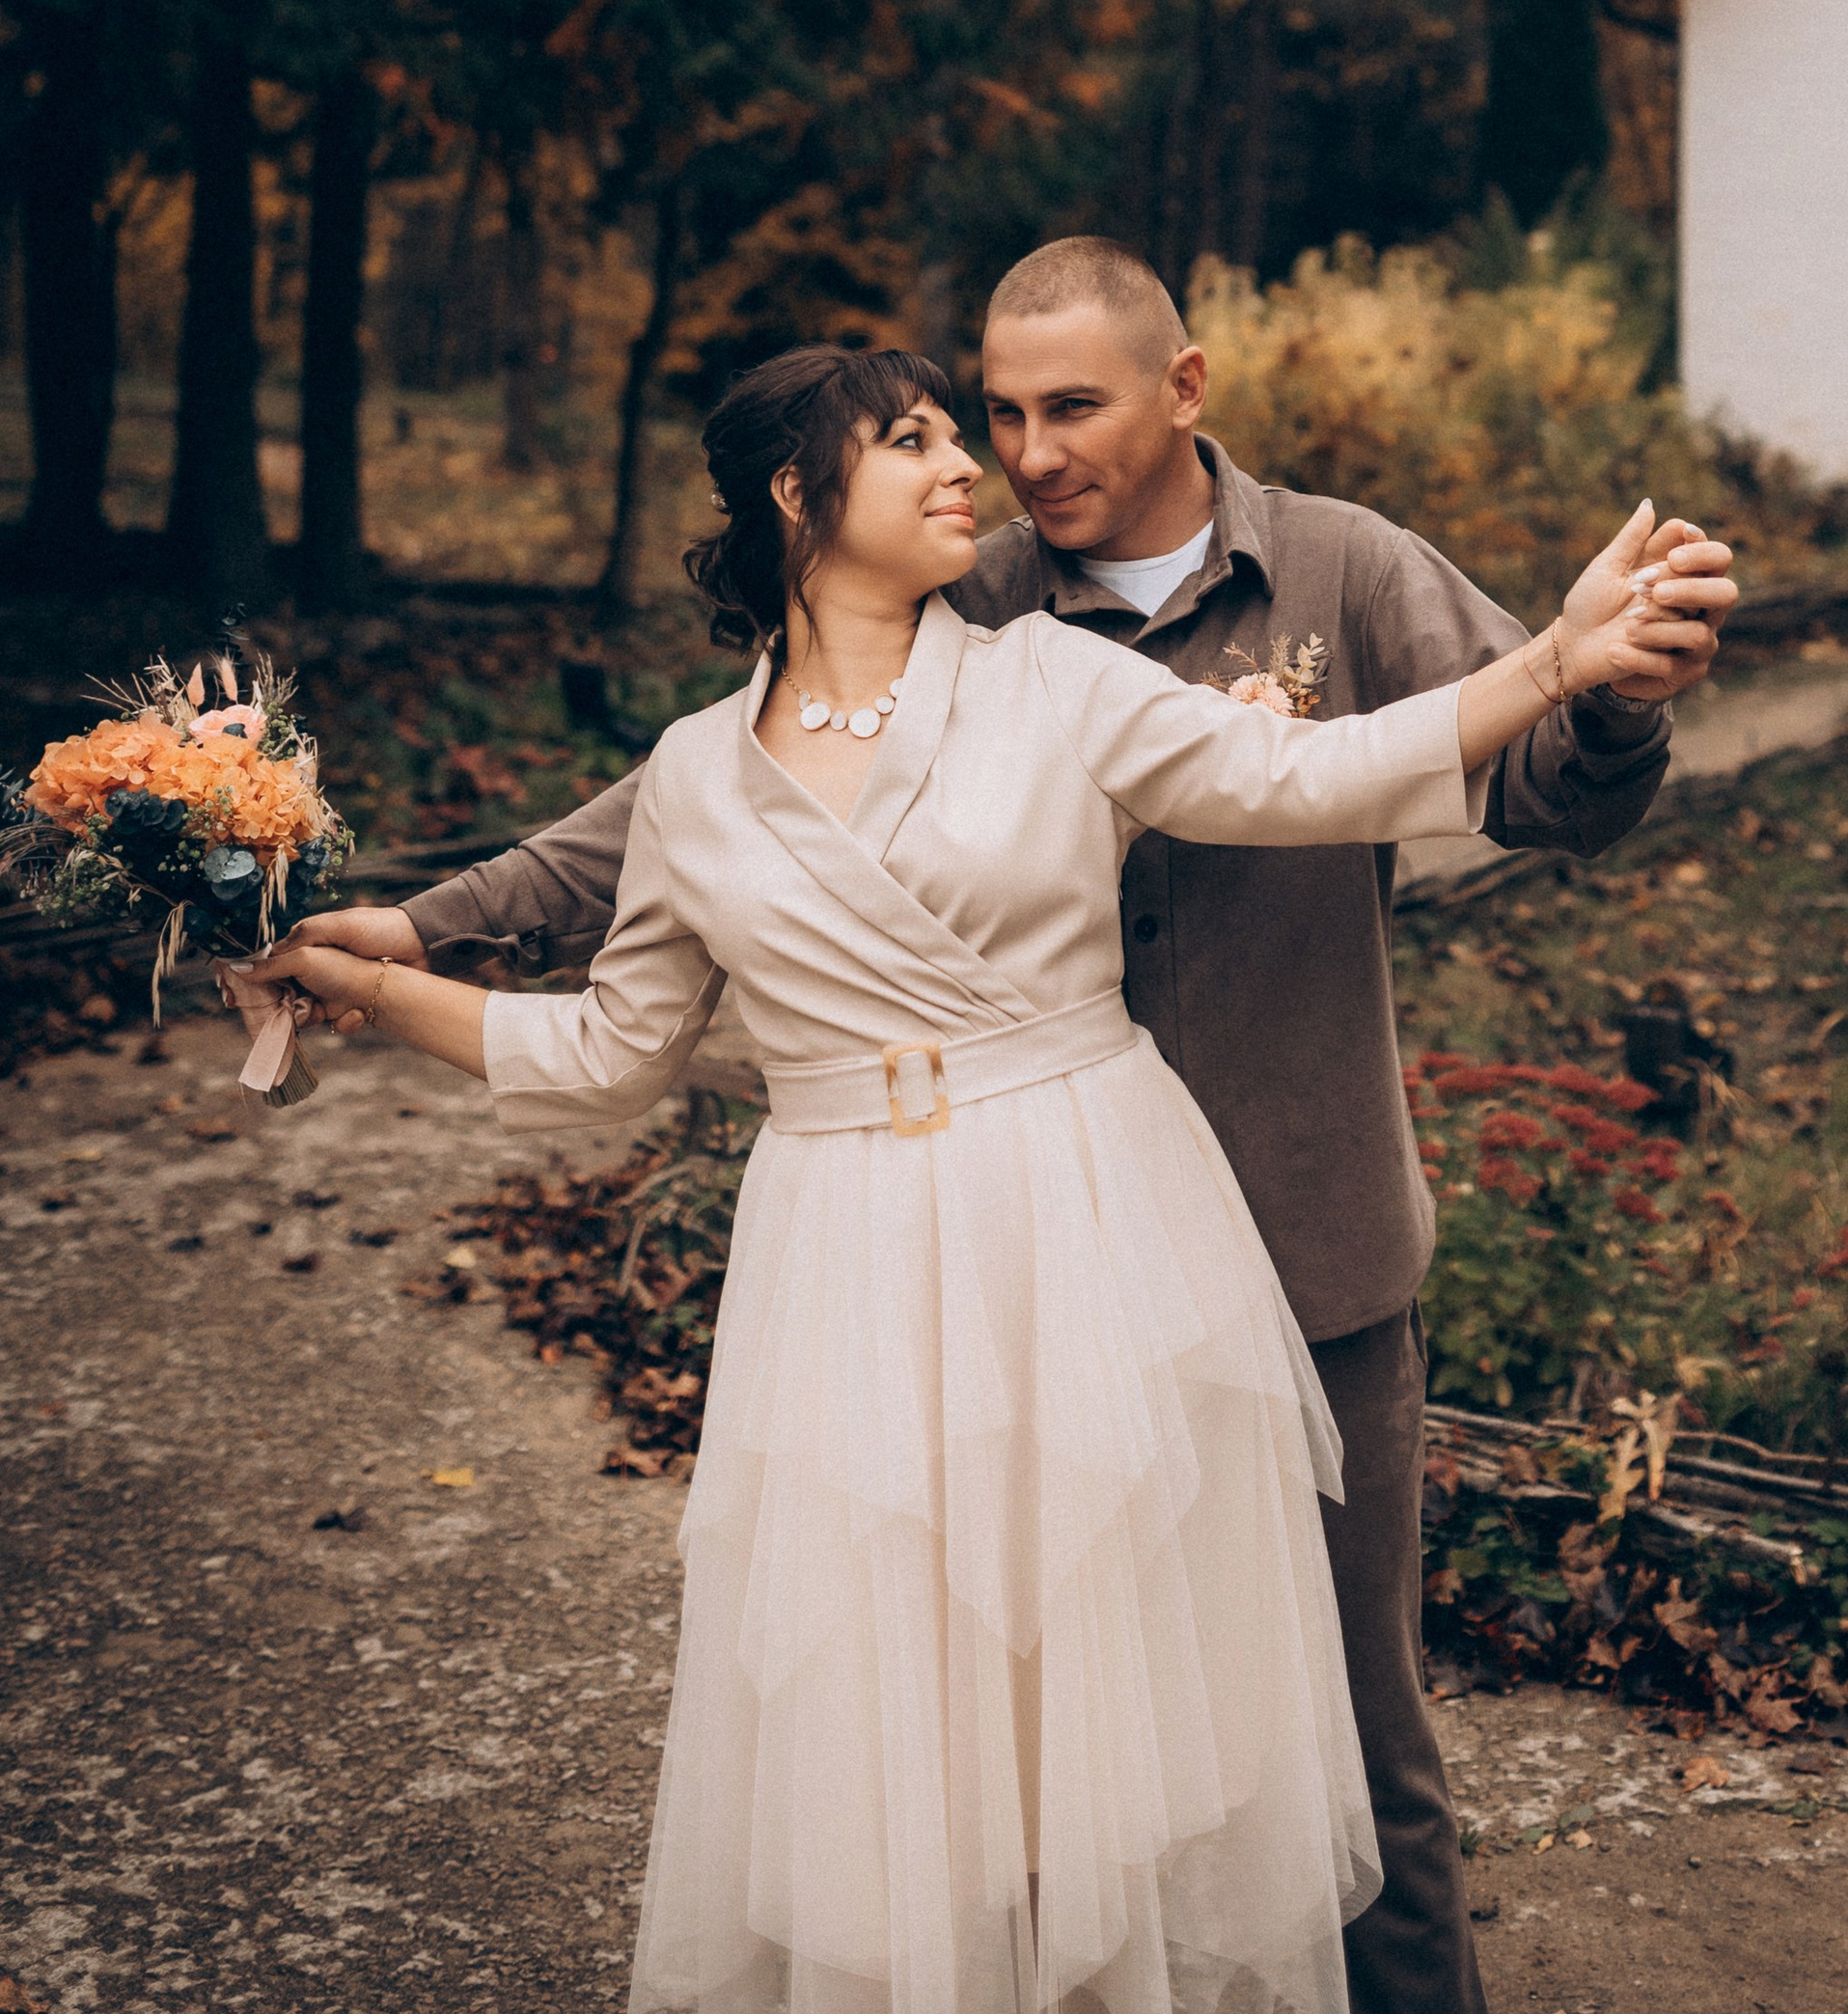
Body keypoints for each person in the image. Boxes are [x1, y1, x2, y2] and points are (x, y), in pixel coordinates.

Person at [296, 240, 1737, 2013]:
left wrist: (1588, 673)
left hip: (1256, 1236)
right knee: (974, 1749)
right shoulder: (921, 639)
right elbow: (639, 917)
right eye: (967, 420)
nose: (1005, 458)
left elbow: (1398, 776)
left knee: (1327, 1740)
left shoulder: (1244, 601)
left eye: (1059, 411)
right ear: (811, 497)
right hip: (911, 1292)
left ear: (1180, 390)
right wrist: (411, 944)